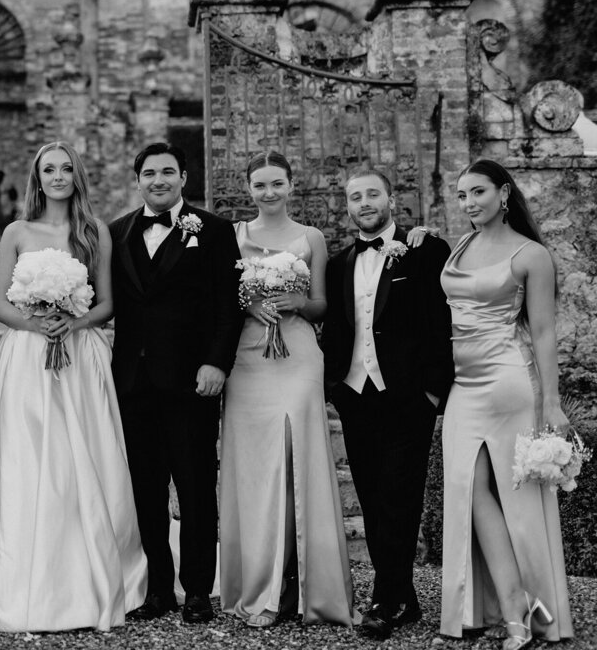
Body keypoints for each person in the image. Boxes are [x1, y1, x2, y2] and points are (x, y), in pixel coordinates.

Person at [0, 141, 148, 632]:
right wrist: (37, 323)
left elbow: (106, 304)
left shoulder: (95, 232)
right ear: (36, 178)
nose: (58, 176)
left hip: (80, 359)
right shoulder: (15, 232)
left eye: (66, 168)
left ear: (76, 175)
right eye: (49, 169)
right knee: (28, 458)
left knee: (80, 456)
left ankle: (86, 568)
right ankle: (24, 569)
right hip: (26, 355)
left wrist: (73, 321)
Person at [218, 151, 356, 628]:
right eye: (260, 185)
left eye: (277, 183)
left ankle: (306, 586)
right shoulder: (232, 235)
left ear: (291, 186)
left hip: (297, 358)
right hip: (248, 359)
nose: (269, 192)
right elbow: (220, 300)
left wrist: (299, 301)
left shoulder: (311, 237)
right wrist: (248, 308)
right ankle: (261, 584)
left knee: (300, 462)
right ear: (249, 189)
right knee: (255, 470)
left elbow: (322, 307)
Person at [439, 159, 573, 648]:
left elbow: (542, 331)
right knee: (467, 490)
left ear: (504, 192)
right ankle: (514, 601)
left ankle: (535, 614)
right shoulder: (460, 244)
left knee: (520, 502)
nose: (469, 202)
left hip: (510, 382)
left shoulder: (530, 254)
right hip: (463, 387)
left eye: (477, 192)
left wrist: (553, 403)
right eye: (461, 195)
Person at [108, 142, 242, 625]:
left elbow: (228, 307)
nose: (158, 180)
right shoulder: (117, 231)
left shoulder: (214, 230)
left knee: (195, 488)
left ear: (184, 176)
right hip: (132, 384)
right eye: (148, 173)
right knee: (146, 491)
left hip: (191, 382)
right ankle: (159, 590)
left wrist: (216, 364)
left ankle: (199, 591)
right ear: (137, 179)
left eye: (167, 172)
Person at [321, 169, 454, 639]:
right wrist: (335, 386)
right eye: (355, 197)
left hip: (407, 398)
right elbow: (337, 329)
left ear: (392, 199)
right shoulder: (338, 263)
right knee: (375, 500)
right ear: (348, 207)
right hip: (356, 397)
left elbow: (443, 321)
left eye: (372, 193)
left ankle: (386, 598)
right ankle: (404, 595)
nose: (364, 203)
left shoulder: (426, 250)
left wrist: (433, 391)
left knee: (400, 498)